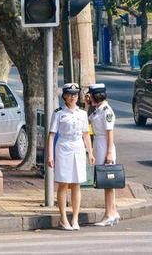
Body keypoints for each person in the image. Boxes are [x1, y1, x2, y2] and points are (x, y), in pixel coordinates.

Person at [47, 83, 95, 231]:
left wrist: (90, 153)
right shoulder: (58, 113)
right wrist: (50, 155)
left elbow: (86, 134)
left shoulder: (82, 113)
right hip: (63, 147)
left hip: (78, 148)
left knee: (76, 183)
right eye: (70, 94)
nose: (73, 97)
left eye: (75, 94)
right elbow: (51, 135)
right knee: (63, 183)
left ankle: (75, 218)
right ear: (65, 96)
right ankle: (63, 218)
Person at [87, 83, 119, 227]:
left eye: (90, 95)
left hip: (105, 145)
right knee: (106, 181)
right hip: (99, 145)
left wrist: (110, 152)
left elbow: (110, 133)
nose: (89, 97)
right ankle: (113, 211)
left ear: (96, 95)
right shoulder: (98, 109)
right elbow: (87, 121)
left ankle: (109, 214)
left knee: (108, 182)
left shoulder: (106, 111)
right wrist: (88, 105)